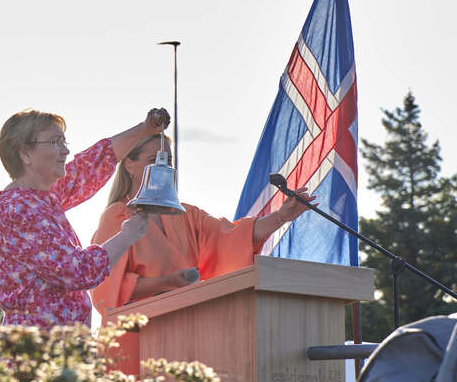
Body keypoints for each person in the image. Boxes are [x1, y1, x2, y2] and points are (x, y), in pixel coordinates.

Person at [0, 107, 170, 329]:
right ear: (25, 153)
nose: (65, 151)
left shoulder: (40, 198)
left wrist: (144, 130)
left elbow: (91, 166)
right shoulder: (17, 210)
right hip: (38, 345)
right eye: (55, 142)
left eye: (64, 142)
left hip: (58, 344)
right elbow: (76, 271)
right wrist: (128, 235)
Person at [90, 134, 316, 318]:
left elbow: (231, 238)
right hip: (135, 334)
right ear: (129, 165)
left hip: (187, 327)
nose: (161, 168)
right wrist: (167, 282)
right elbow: (106, 288)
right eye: (153, 161)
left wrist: (281, 217)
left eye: (167, 162)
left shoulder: (186, 215)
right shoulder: (117, 216)